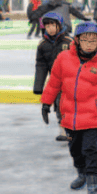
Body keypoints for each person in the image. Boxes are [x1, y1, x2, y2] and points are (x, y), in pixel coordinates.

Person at [40, 22, 97, 194]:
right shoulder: (63, 58)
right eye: (85, 40)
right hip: (70, 115)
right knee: (75, 150)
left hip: (93, 116)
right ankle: (82, 173)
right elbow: (54, 82)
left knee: (90, 149)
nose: (89, 44)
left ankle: (94, 184)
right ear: (77, 40)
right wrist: (46, 103)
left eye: (93, 41)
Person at [32, 11, 74, 142]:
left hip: (72, 80)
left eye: (53, 25)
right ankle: (64, 129)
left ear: (59, 25)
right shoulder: (43, 45)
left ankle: (73, 128)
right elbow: (41, 66)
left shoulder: (69, 42)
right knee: (59, 104)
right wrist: (38, 86)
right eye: (47, 26)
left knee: (70, 105)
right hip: (56, 81)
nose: (50, 29)